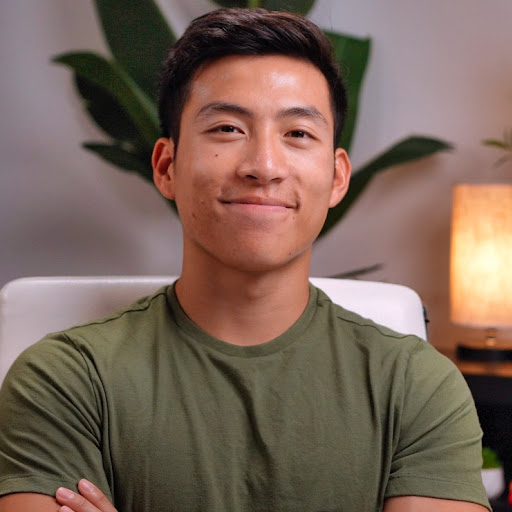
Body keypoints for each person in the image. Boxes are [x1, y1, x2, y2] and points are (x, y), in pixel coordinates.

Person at [0, 7, 490, 512]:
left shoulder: (415, 385)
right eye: (228, 128)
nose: (264, 166)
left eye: (298, 134)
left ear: (337, 178)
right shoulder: (66, 379)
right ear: (166, 166)